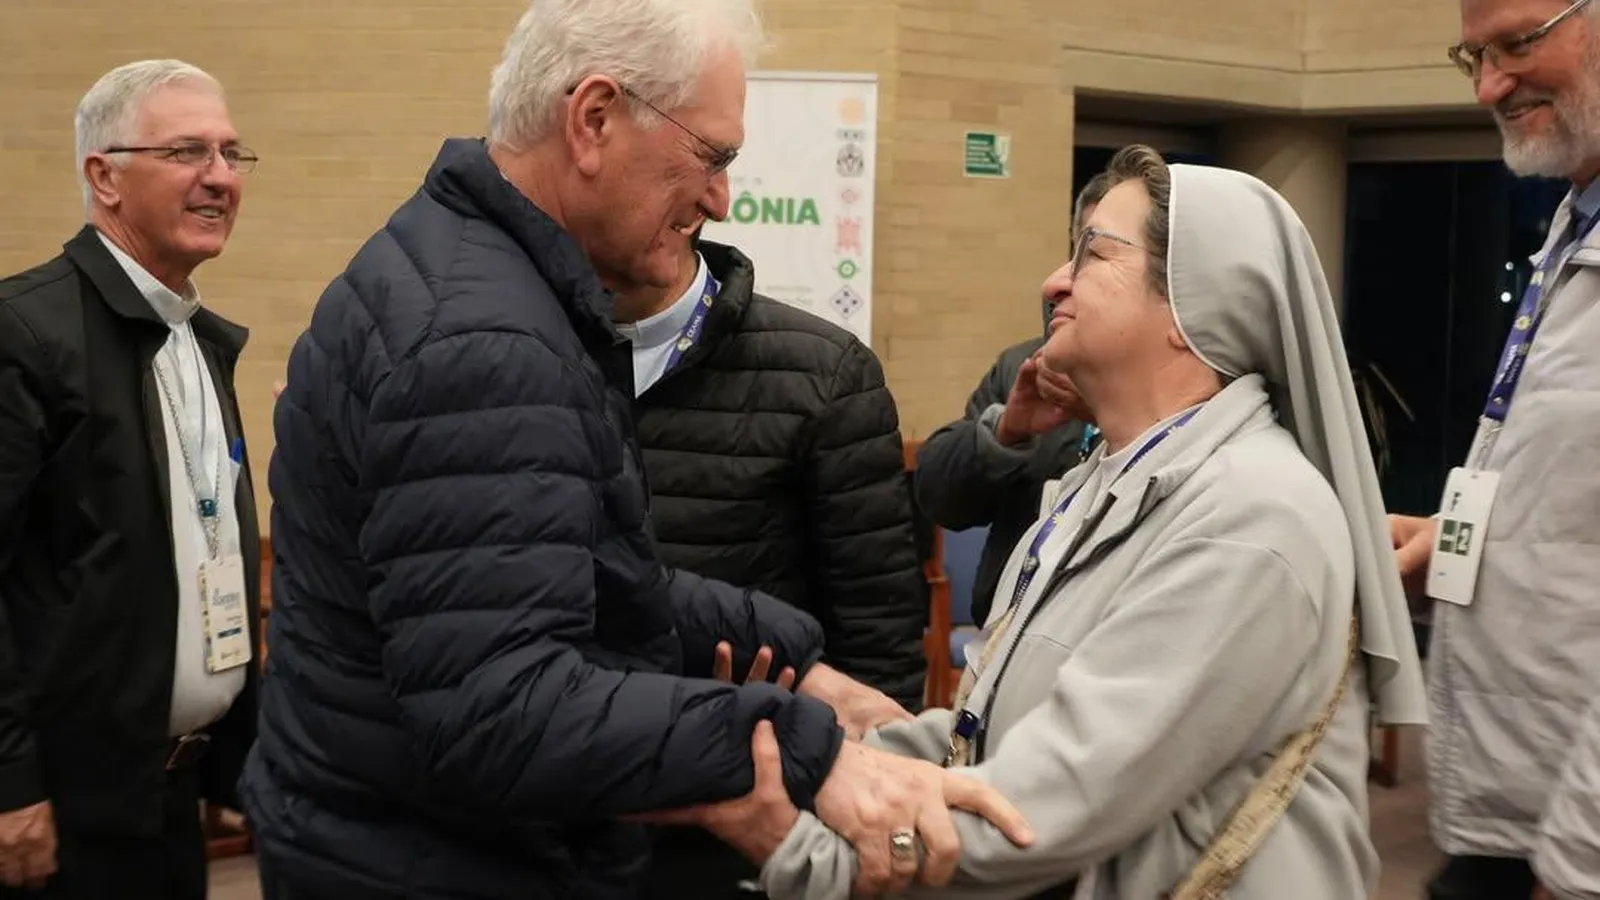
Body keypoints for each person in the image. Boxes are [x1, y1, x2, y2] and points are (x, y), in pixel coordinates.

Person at [238, 2, 1032, 899]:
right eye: (711, 157)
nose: (722, 200)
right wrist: (806, 750)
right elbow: (501, 711)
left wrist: (797, 664)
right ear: (594, 119)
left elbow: (571, 571)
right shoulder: (484, 339)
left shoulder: (479, 283)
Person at [658, 146, 1431, 899]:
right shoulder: (1101, 481)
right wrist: (802, 743)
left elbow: (1040, 812)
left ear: (1192, 303)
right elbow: (985, 738)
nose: (1054, 281)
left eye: (1093, 255)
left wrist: (797, 847)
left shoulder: (1251, 516)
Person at [0, 59, 260, 899]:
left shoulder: (197, 339)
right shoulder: (24, 333)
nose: (220, 177)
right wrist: (8, 786)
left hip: (168, 797)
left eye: (230, 153)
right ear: (104, 176)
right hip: (58, 813)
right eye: (186, 152)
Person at [618, 228, 928, 898]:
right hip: (555, 807)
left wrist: (843, 831)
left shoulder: (825, 374)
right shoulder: (519, 351)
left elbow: (879, 638)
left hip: (749, 825)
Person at [1391, 1, 1600, 898]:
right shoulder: (1573, 218)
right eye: (1473, 55)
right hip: (1518, 806)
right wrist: (1460, 542)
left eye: (1519, 42)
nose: (1488, 87)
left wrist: (1583, 863)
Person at [913, 173, 1109, 626]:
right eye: (1082, 251)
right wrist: (1004, 435)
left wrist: (1108, 413)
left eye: (1103, 255)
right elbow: (941, 499)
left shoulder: (1180, 376)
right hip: (1006, 629)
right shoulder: (1024, 366)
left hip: (1101, 632)